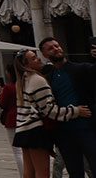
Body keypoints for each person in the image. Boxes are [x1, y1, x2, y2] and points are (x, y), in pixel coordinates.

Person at [16, 47, 91, 178]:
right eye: (33, 58)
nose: (38, 59)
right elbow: (49, 110)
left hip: (23, 129)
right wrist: (76, 111)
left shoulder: (22, 80)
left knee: (29, 171)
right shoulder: (37, 80)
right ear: (27, 64)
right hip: (35, 129)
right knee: (42, 172)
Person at [41, 38, 95, 178]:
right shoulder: (48, 77)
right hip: (64, 132)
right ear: (45, 54)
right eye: (51, 48)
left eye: (57, 45)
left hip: (87, 128)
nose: (56, 49)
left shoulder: (82, 69)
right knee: (74, 171)